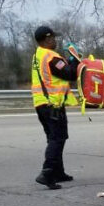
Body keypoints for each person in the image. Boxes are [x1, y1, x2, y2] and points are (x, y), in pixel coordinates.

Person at [31, 26, 80, 189]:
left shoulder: (38, 55)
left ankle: (58, 172)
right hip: (53, 104)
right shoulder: (50, 57)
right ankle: (47, 173)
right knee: (57, 139)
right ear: (46, 40)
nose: (55, 41)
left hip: (41, 104)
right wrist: (75, 59)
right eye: (53, 38)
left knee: (54, 138)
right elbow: (70, 74)